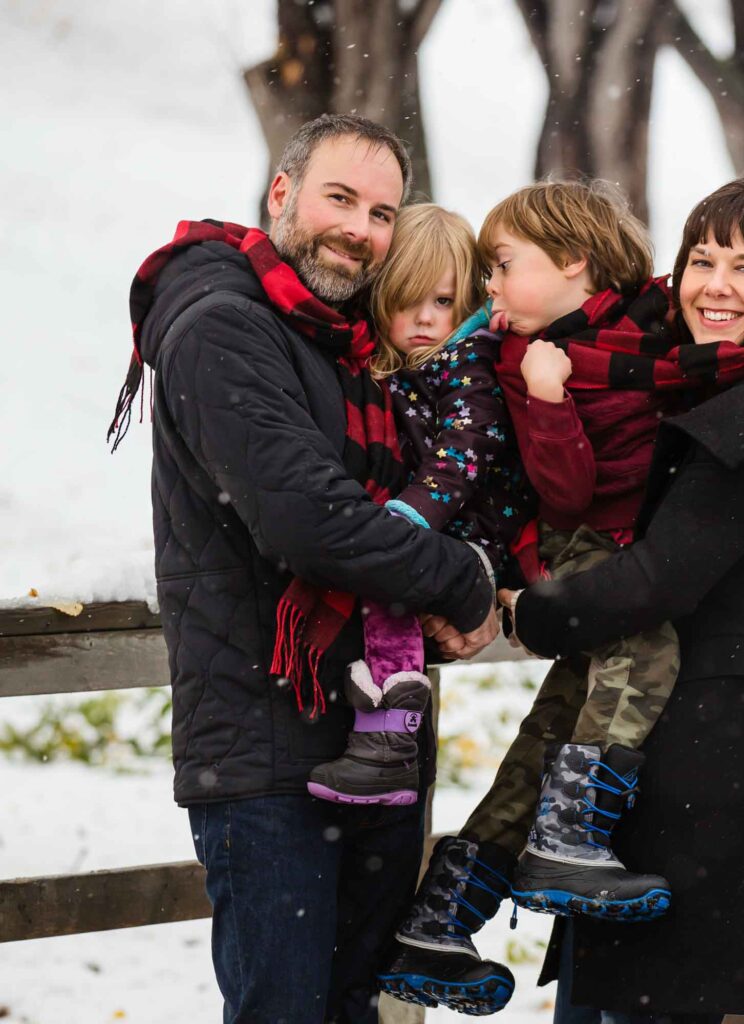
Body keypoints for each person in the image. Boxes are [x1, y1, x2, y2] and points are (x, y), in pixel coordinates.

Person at [379, 178, 744, 1016]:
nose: (715, 284)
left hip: (716, 771)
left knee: (644, 1000)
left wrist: (523, 613)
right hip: (663, 758)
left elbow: (658, 578)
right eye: (702, 260)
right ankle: (445, 920)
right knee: (548, 763)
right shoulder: (722, 378)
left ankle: (454, 910)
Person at [108, 114, 498, 1024]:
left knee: (353, 1011)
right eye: (340, 198)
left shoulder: (350, 343)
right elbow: (312, 523)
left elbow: (498, 378)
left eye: (380, 212)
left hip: (369, 741)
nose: (358, 228)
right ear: (281, 194)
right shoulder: (221, 328)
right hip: (266, 750)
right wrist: (461, 577)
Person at [307, 203, 533, 807]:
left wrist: (407, 517)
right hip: (437, 526)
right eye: (409, 302)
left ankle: (388, 745)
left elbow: (466, 450)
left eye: (443, 303)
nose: (427, 321)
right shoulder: (396, 366)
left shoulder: (467, 364)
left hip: (474, 527)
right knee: (389, 596)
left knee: (389, 590)